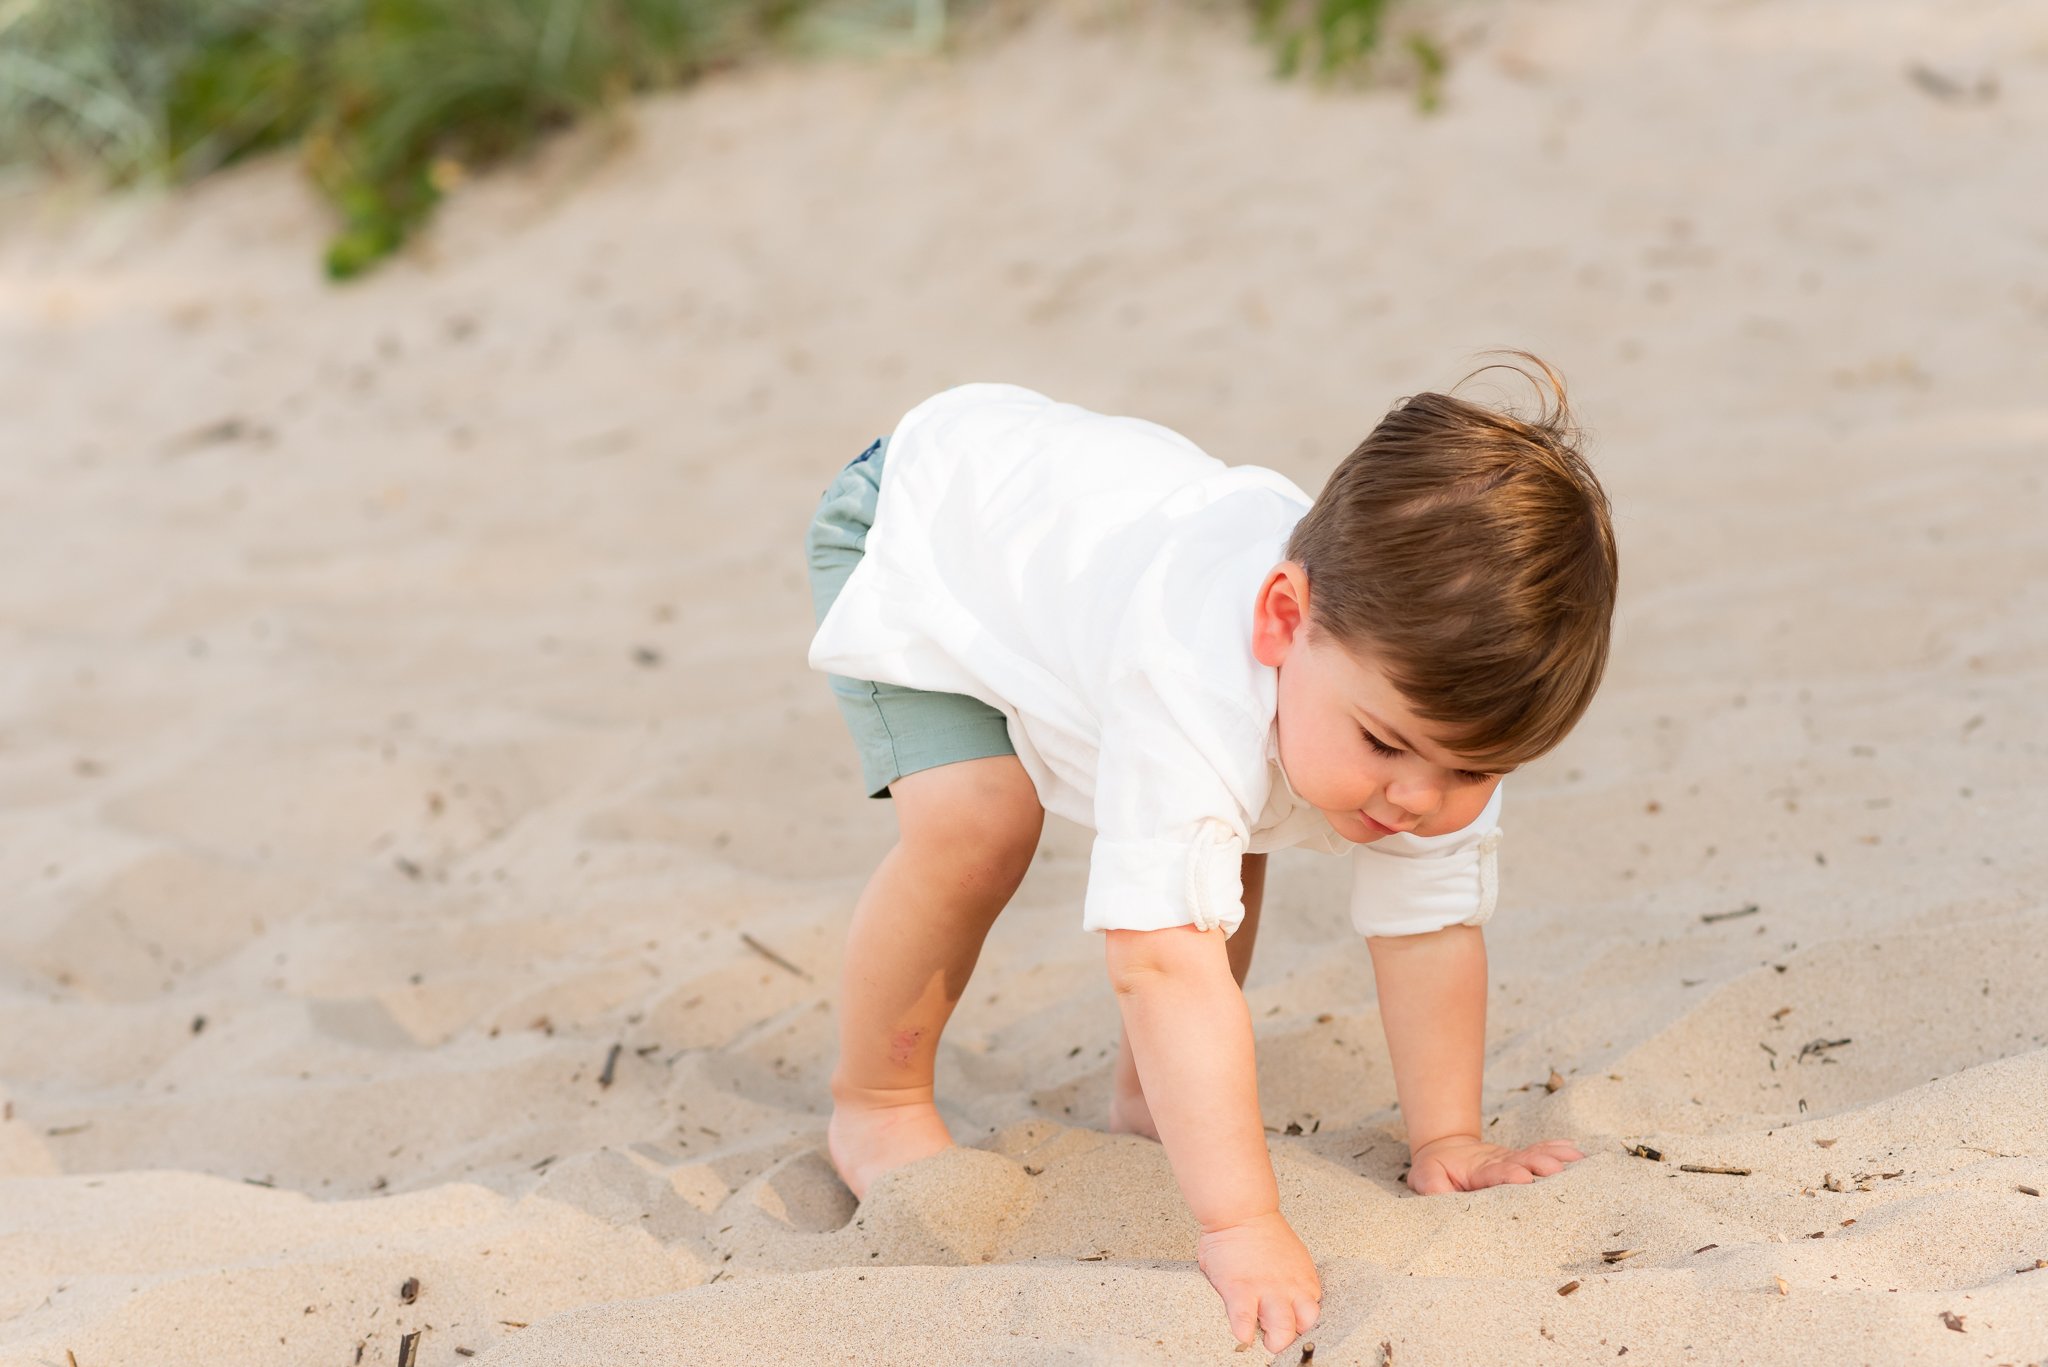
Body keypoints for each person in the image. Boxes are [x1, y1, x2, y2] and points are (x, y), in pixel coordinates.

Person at [804, 356, 1617, 1353]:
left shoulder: (1435, 709)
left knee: (1230, 835)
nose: (1419, 798)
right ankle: (873, 1099)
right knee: (979, 824)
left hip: (1070, 557)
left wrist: (1446, 1136)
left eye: (1472, 769)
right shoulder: (1188, 670)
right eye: (1383, 745)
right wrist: (1241, 1222)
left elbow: (1430, 931)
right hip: (925, 527)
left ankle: (1148, 1101)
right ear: (1283, 617)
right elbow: (1157, 956)